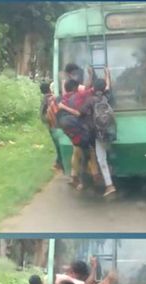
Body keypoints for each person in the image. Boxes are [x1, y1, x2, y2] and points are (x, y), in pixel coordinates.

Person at [62, 68, 117, 196]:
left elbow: (78, 113)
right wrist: (107, 74)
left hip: (97, 134)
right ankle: (103, 176)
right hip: (110, 131)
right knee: (104, 155)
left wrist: (64, 108)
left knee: (99, 157)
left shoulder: (90, 99)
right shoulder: (108, 96)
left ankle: (108, 185)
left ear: (94, 88)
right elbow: (107, 86)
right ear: (104, 88)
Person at [59, 79, 98, 190]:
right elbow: (93, 89)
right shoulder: (80, 96)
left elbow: (64, 94)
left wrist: (63, 83)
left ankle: (73, 176)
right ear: (76, 88)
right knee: (90, 151)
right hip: (80, 129)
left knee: (76, 152)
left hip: (69, 131)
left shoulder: (64, 98)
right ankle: (92, 176)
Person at [40, 81, 63, 173]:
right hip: (54, 125)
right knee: (59, 144)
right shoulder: (50, 99)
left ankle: (59, 163)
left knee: (57, 144)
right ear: (50, 89)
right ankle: (58, 164)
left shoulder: (44, 98)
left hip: (50, 125)